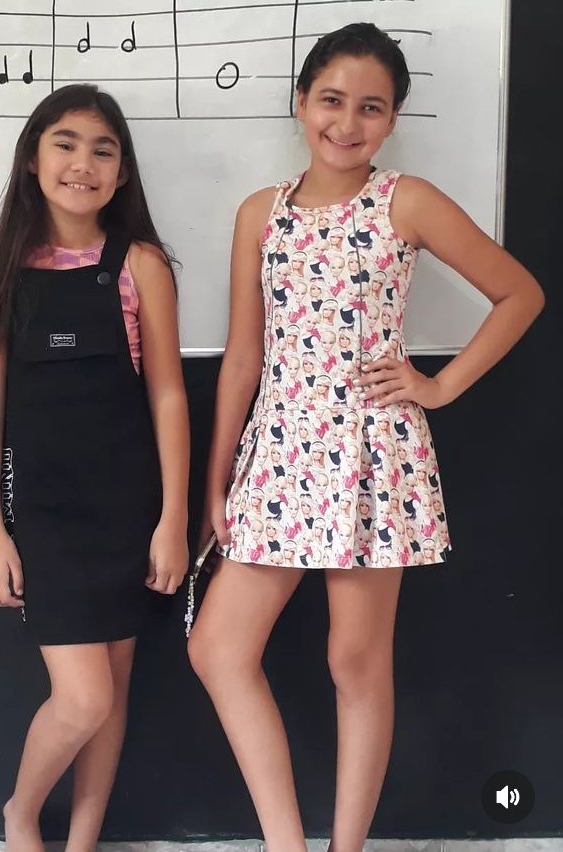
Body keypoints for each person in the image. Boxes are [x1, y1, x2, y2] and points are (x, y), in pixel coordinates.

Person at [188, 23, 543, 852]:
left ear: (392, 119)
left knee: (354, 660)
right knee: (219, 649)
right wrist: (218, 479)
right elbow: (244, 357)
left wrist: (438, 385)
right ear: (300, 102)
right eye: (331, 100)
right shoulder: (259, 214)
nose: (346, 123)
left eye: (371, 108)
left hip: (372, 453)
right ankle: (287, 844)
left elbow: (520, 293)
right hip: (278, 452)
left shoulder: (404, 201)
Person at [0, 84, 189, 852]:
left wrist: (172, 518)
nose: (82, 163)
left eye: (103, 150)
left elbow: (167, 395)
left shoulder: (142, 265)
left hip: (127, 511)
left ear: (122, 174)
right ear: (33, 158)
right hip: (45, 518)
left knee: (114, 692)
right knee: (85, 698)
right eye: (65, 144)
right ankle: (21, 813)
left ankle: (82, 841)